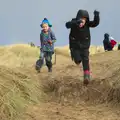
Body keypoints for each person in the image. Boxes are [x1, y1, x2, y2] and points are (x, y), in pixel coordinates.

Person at [65, 9, 100, 85]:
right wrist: (75, 22)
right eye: (80, 20)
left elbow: (95, 23)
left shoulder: (87, 24)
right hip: (75, 46)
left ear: (86, 20)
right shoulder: (73, 23)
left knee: (85, 60)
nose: (81, 22)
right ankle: (77, 60)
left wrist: (96, 16)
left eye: (83, 21)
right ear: (77, 18)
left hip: (84, 46)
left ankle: (86, 76)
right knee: (77, 60)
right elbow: (67, 25)